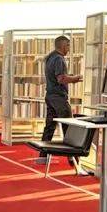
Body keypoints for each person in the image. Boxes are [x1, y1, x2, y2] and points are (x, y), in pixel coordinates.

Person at [39, 34, 82, 162]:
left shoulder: (49, 57)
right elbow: (61, 79)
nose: (69, 49)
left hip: (50, 96)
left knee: (50, 126)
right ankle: (73, 158)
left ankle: (43, 155)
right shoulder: (59, 59)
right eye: (68, 46)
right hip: (59, 97)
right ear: (64, 46)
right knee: (69, 126)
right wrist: (76, 78)